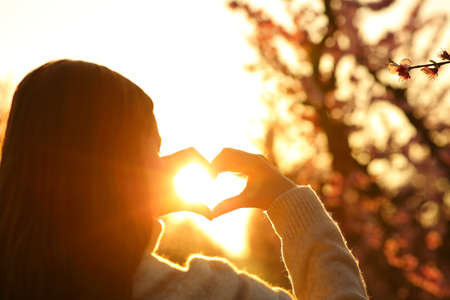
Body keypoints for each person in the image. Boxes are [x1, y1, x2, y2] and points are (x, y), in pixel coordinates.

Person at [0, 60, 368, 300]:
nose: (162, 162)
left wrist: (133, 215)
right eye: (154, 149)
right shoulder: (198, 293)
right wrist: (289, 202)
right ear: (124, 167)